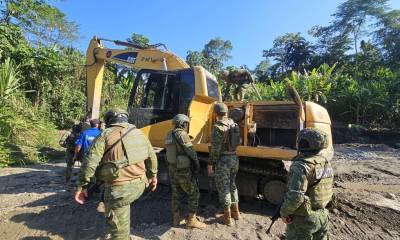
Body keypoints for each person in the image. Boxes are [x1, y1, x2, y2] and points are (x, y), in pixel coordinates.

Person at [74, 108, 158, 240]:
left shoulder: (105, 135)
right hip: (140, 185)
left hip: (120, 190)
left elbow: (90, 163)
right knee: (123, 208)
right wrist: (153, 176)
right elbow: (152, 157)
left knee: (119, 232)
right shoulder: (139, 133)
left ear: (108, 121)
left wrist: (82, 186)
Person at [280, 128, 334, 240]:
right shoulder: (325, 162)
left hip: (305, 220)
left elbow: (296, 196)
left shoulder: (301, 166)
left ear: (302, 143)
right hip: (323, 215)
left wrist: (284, 213)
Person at [165, 114, 206, 229]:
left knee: (176, 194)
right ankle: (191, 221)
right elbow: (191, 152)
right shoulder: (182, 134)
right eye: (187, 123)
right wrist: (197, 164)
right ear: (183, 123)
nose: (187, 125)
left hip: (172, 169)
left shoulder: (169, 134)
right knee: (194, 193)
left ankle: (176, 219)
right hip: (183, 170)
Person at [208, 102, 241, 226]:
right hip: (234, 158)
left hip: (223, 161)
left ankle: (227, 218)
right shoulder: (233, 123)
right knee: (232, 185)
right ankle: (236, 213)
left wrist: (211, 164)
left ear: (216, 113)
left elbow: (215, 149)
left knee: (224, 188)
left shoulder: (217, 127)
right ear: (226, 112)